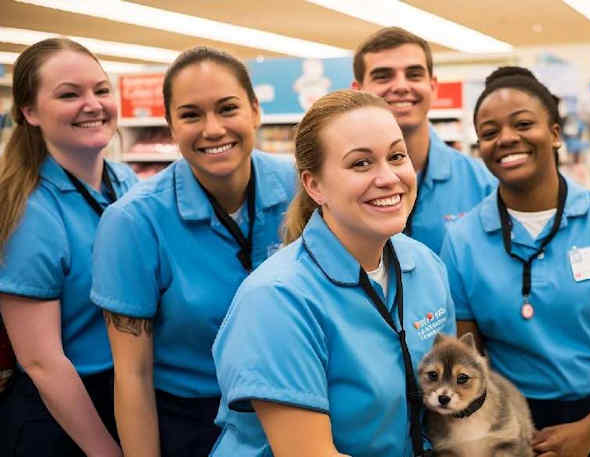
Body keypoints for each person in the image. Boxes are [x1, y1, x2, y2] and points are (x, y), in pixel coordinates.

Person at [440, 67, 590, 457]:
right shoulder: (463, 240)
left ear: (555, 133)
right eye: (489, 132)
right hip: (514, 426)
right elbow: (467, 356)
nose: (507, 139)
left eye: (523, 123)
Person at [211, 89, 455, 457]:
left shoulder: (425, 267)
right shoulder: (277, 299)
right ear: (315, 185)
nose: (389, 178)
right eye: (361, 164)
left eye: (396, 156)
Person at [90, 47, 295, 457]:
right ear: (170, 126)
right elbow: (132, 374)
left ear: (255, 111)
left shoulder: (302, 190)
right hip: (193, 422)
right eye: (191, 115)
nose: (213, 129)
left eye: (228, 108)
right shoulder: (133, 222)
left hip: (298, 404)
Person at [0, 38, 139, 457]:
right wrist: (107, 451)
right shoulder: (28, 210)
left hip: (129, 391)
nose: (92, 104)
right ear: (29, 112)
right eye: (68, 94)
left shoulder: (126, 182)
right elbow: (43, 363)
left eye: (100, 89)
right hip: (65, 419)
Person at [352, 27, 496, 252]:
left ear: (433, 86)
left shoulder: (482, 185)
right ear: (358, 91)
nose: (401, 86)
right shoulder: (335, 186)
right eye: (383, 76)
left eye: (414, 74)